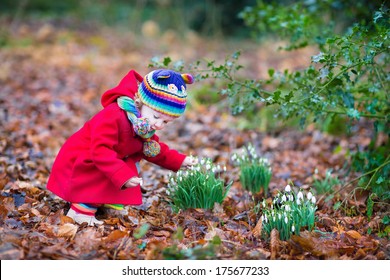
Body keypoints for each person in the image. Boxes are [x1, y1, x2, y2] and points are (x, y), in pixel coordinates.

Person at [47, 69, 197, 226]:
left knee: (127, 164)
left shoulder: (142, 124)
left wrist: (181, 161)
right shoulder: (114, 116)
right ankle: (80, 211)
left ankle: (103, 201)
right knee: (113, 169)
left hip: (103, 158)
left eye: (166, 122)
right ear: (140, 102)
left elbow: (153, 149)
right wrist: (122, 175)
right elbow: (100, 151)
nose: (158, 125)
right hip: (81, 159)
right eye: (157, 117)